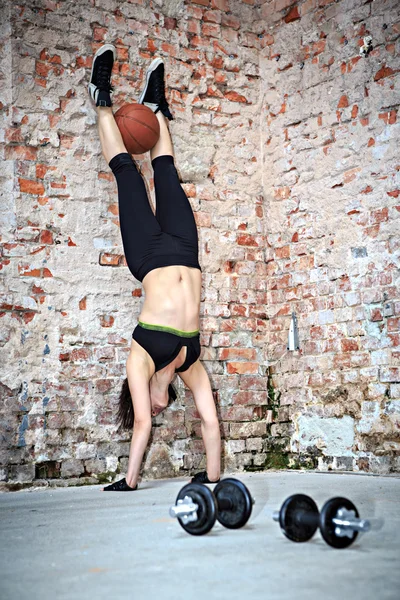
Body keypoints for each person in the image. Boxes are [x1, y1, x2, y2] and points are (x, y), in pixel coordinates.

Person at [88, 44, 221, 490]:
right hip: (185, 250)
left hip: (147, 255)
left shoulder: (140, 362)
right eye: (160, 407)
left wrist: (128, 482)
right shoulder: (190, 363)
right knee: (165, 171)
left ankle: (101, 97)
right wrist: (214, 477)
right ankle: (153, 107)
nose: (157, 410)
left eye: (150, 405)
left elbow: (141, 427)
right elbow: (208, 420)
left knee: (128, 172)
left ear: (143, 395)